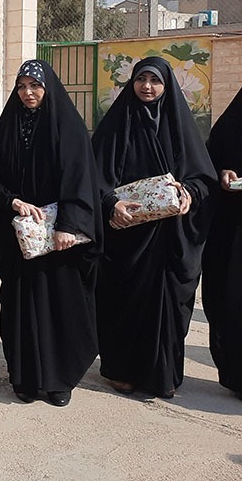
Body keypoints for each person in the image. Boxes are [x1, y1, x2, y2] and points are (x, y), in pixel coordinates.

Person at [91, 56, 215, 399]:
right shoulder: (117, 125)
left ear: (167, 86)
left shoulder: (180, 127)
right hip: (127, 236)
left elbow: (203, 179)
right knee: (122, 303)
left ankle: (164, 374)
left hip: (169, 240)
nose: (147, 86)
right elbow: (92, 176)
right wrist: (109, 204)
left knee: (168, 306)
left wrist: (188, 193)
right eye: (141, 79)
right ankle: (120, 370)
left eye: (155, 81)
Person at [0, 60, 100, 407]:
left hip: (59, 241)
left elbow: (81, 179)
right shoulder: (8, 127)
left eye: (35, 86)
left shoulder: (68, 127)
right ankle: (25, 377)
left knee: (61, 305)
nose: (28, 93)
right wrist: (12, 201)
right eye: (21, 87)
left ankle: (60, 380)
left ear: (49, 89)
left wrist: (69, 226)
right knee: (18, 305)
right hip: (18, 237)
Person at [204, 85, 242, 399]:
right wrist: (222, 172)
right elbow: (207, 160)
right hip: (232, 231)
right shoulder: (231, 125)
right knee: (230, 300)